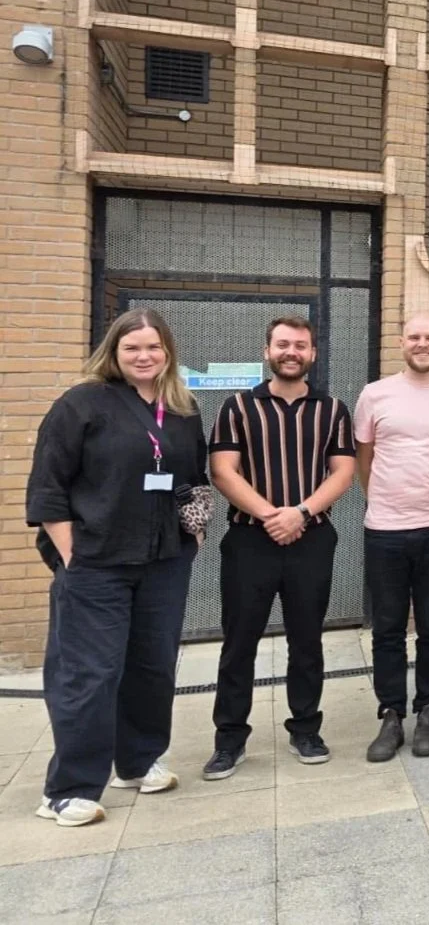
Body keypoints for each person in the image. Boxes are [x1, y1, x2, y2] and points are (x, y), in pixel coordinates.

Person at [25, 309, 208, 826]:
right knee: (91, 673)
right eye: (132, 348)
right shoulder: (81, 404)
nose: (143, 356)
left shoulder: (182, 409)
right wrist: (72, 555)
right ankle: (69, 788)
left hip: (164, 560)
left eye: (153, 347)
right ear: (114, 351)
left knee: (153, 666)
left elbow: (192, 475)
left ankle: (138, 761)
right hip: (97, 562)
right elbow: (48, 488)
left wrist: (192, 533)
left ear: (167, 352)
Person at [205, 316, 356, 778]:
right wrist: (273, 515)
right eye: (283, 344)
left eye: (301, 345)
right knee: (239, 643)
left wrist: (301, 513)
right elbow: (222, 470)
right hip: (250, 540)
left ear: (313, 354)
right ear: (267, 351)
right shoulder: (236, 407)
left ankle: (306, 729)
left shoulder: (333, 410)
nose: (292, 352)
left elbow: (343, 472)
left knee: (307, 640)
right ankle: (230, 739)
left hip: (312, 538)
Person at [355, 313, 429, 762]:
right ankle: (391, 714)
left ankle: (428, 711)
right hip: (385, 528)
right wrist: (385, 499)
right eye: (415, 337)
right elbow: (365, 458)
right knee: (388, 627)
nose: (423, 344)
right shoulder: (374, 394)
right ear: (402, 342)